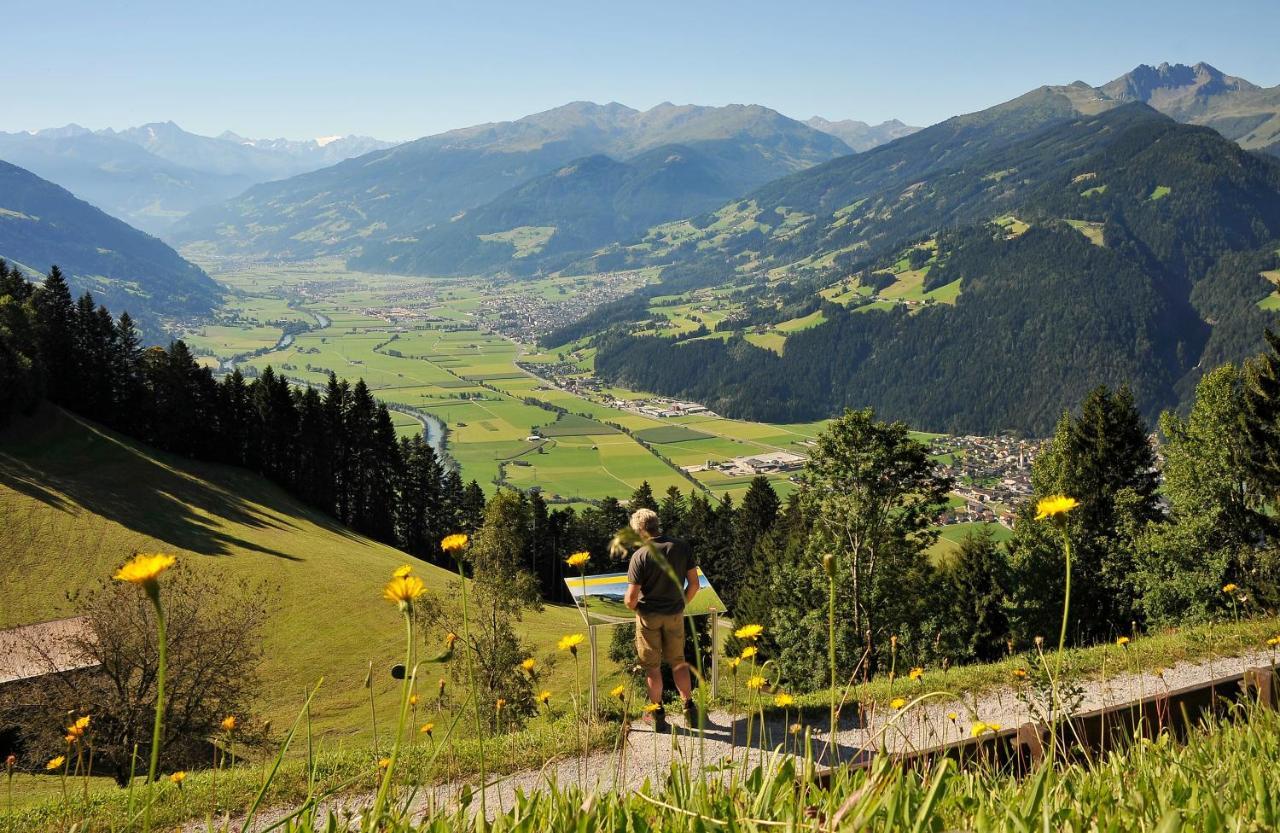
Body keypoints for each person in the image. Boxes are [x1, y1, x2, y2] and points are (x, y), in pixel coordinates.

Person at [624, 507, 700, 731]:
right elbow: (694, 584)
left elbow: (630, 599)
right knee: (679, 662)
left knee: (653, 668)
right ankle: (689, 709)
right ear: (657, 524)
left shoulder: (640, 556)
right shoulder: (681, 547)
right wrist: (681, 604)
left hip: (649, 617)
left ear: (640, 531)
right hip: (674, 614)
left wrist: (639, 610)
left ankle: (657, 715)